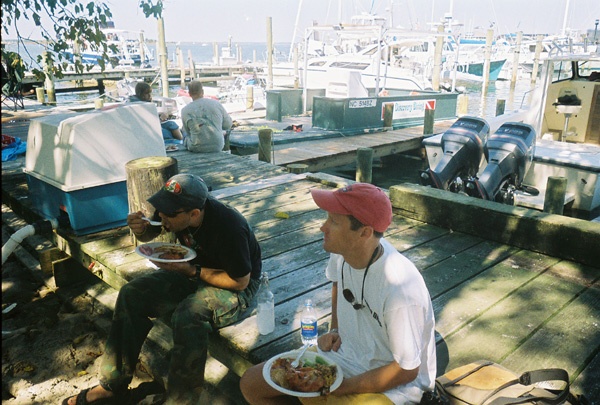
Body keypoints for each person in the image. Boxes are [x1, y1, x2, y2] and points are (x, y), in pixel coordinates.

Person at [63, 174, 262, 405]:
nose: (162, 216)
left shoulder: (229, 227)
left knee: (188, 315)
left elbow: (241, 282)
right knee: (132, 293)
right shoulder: (175, 208)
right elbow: (154, 230)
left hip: (235, 285)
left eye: (168, 214)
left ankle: (180, 401)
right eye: (161, 210)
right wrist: (140, 229)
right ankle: (112, 386)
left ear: (194, 214)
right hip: (193, 271)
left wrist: (190, 271)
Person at [240, 183, 437, 405]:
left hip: (394, 385)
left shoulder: (400, 289)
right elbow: (337, 282)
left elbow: (407, 370)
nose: (323, 227)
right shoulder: (343, 251)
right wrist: (335, 328)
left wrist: (339, 388)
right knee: (252, 383)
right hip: (344, 356)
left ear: (365, 232)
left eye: (333, 221)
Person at [181, 80, 233, 153]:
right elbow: (228, 125)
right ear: (202, 91)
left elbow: (188, 132)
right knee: (223, 131)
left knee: (183, 130)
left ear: (189, 94)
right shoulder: (216, 104)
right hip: (217, 146)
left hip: (196, 147)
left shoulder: (185, 110)